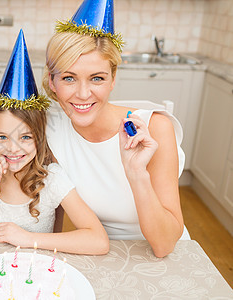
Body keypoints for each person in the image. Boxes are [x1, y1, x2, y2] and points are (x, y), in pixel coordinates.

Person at [0, 30, 109, 255]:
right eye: (2, 137)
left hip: (37, 274)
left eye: (25, 137)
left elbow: (99, 241)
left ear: (39, 139)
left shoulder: (52, 179)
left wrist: (27, 239)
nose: (13, 148)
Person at [42, 0, 188, 258]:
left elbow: (164, 246)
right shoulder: (51, 130)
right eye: (68, 78)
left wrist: (136, 173)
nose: (83, 94)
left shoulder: (155, 129)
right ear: (52, 82)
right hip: (97, 251)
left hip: (161, 255)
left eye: (97, 78)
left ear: (113, 79)